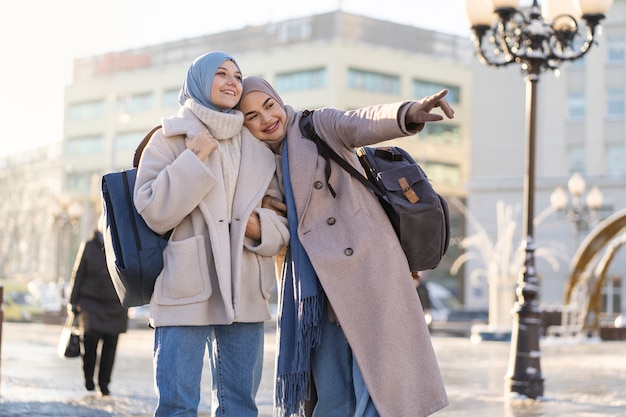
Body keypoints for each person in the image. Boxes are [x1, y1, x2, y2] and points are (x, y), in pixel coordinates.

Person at [237, 76, 454, 417]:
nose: (266, 119)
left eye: (268, 106)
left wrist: (408, 112)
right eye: (251, 116)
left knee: (379, 387)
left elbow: (360, 122)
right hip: (314, 294)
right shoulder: (258, 167)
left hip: (367, 270)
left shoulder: (316, 125)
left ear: (279, 101)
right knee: (332, 392)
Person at [133, 52, 289, 417]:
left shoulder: (260, 149)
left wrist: (259, 227)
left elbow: (284, 225)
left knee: (240, 406)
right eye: (221, 74)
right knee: (177, 406)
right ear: (200, 82)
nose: (232, 81)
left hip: (245, 287)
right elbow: (153, 211)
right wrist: (193, 160)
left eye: (237, 75)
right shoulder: (168, 139)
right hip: (185, 285)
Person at [68, 222, 129, 396]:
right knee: (90, 344)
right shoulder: (88, 246)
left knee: (110, 346)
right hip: (90, 304)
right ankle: (88, 378)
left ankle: (104, 383)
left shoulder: (122, 245)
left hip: (115, 304)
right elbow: (78, 274)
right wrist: (72, 302)